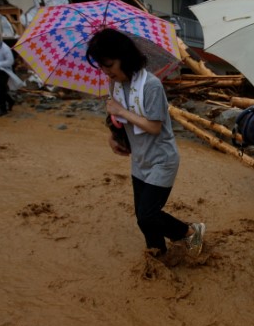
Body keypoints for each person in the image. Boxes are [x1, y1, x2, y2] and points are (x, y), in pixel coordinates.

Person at [85, 28, 205, 260]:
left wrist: (120, 110)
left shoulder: (151, 85)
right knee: (143, 218)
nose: (105, 71)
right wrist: (112, 136)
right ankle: (158, 254)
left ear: (125, 58)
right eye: (101, 65)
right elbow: (117, 118)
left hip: (162, 160)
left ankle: (191, 231)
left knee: (147, 215)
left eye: (109, 64)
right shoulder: (115, 84)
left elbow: (153, 126)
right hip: (139, 160)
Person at [0, 28, 24, 116]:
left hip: (4, 71)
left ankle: (3, 109)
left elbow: (10, 61)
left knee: (0, 90)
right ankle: (10, 100)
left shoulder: (5, 48)